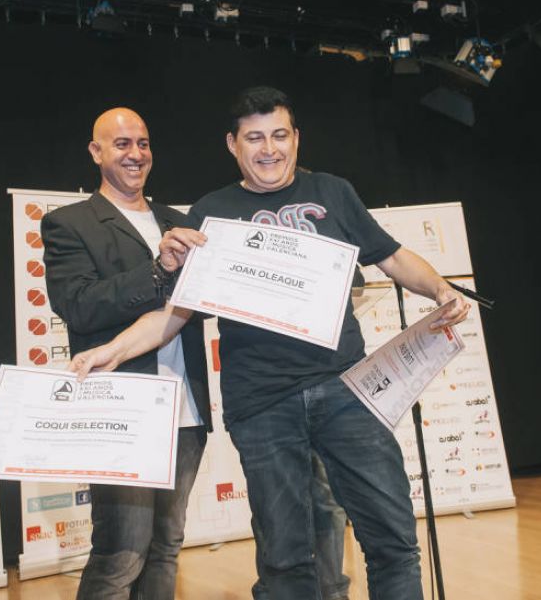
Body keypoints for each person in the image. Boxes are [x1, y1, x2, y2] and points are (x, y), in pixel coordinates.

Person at [69, 87, 470, 600]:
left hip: (347, 391)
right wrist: (113, 351)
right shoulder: (210, 213)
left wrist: (439, 288)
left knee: (393, 540)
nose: (269, 149)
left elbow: (390, 256)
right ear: (232, 144)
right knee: (285, 561)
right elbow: (176, 312)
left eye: (279, 135)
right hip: (261, 405)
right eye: (255, 138)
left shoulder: (333, 192)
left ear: (296, 138)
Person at [41, 107, 211, 600]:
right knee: (122, 553)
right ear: (96, 152)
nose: (136, 154)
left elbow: (201, 304)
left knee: (166, 547)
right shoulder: (69, 223)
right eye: (121, 144)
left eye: (143, 143)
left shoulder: (180, 221)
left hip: (186, 411)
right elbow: (78, 305)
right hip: (120, 411)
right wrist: (158, 270)